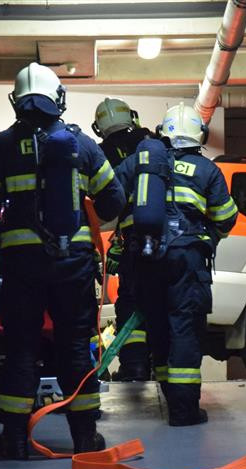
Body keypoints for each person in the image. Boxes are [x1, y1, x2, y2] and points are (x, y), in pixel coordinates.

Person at [0, 63, 125, 459]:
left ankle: (14, 439)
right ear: (57, 98)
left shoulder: (1, 145)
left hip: (22, 266)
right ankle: (85, 438)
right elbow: (113, 199)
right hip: (72, 264)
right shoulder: (82, 144)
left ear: (16, 100)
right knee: (75, 346)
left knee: (21, 348)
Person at [115, 102, 237, 426]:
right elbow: (226, 218)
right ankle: (183, 411)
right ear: (200, 135)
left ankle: (169, 395)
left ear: (163, 133)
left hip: (144, 258)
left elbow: (110, 198)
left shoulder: (141, 163)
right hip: (186, 259)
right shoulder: (207, 170)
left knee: (157, 328)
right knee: (184, 329)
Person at [92, 98, 153, 381]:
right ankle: (162, 364)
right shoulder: (152, 143)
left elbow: (107, 203)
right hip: (168, 239)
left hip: (134, 241)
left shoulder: (101, 153)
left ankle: (135, 366)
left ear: (99, 126)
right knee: (163, 302)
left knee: (130, 302)